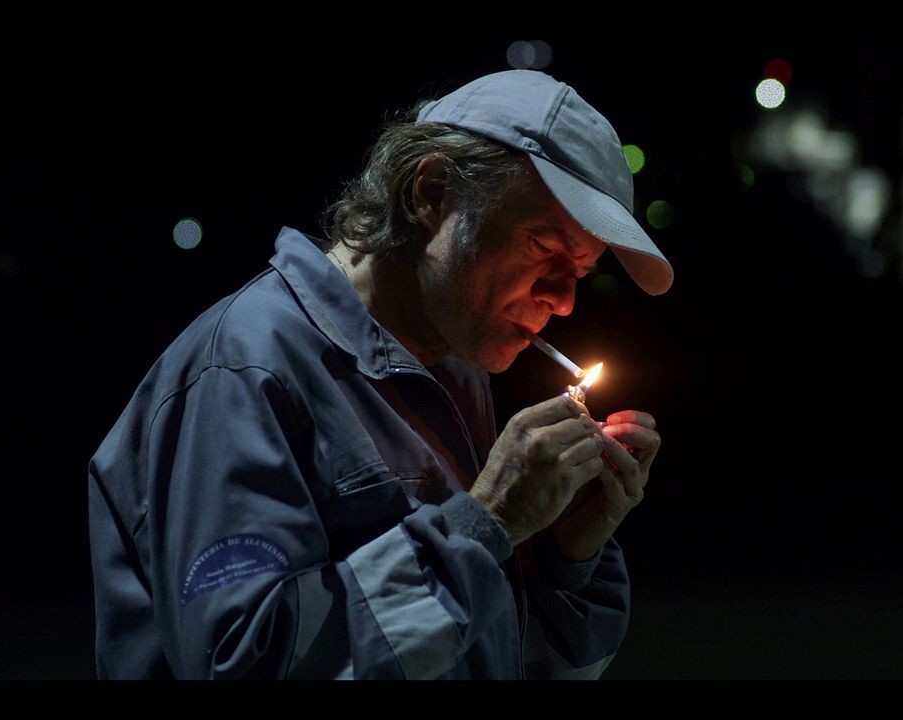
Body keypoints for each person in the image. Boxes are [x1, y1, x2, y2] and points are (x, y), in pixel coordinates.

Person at [87, 69, 673, 679]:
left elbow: (487, 658)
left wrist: (562, 556)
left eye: (580, 272)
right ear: (433, 191)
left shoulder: (451, 369)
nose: (563, 299)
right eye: (544, 247)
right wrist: (490, 520)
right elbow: (237, 666)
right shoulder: (245, 369)